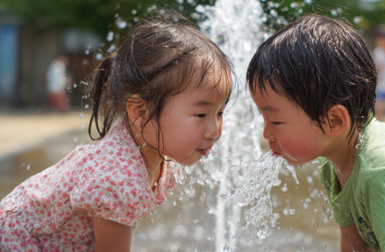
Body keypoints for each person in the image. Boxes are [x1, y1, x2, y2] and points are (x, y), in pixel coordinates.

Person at [0, 16, 233, 251]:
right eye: (201, 115)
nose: (214, 130)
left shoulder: (150, 153)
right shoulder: (119, 177)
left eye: (220, 113)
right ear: (140, 111)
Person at [247, 14, 385, 252]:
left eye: (276, 121)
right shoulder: (333, 164)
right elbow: (354, 244)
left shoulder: (381, 170)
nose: (266, 134)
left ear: (334, 121)